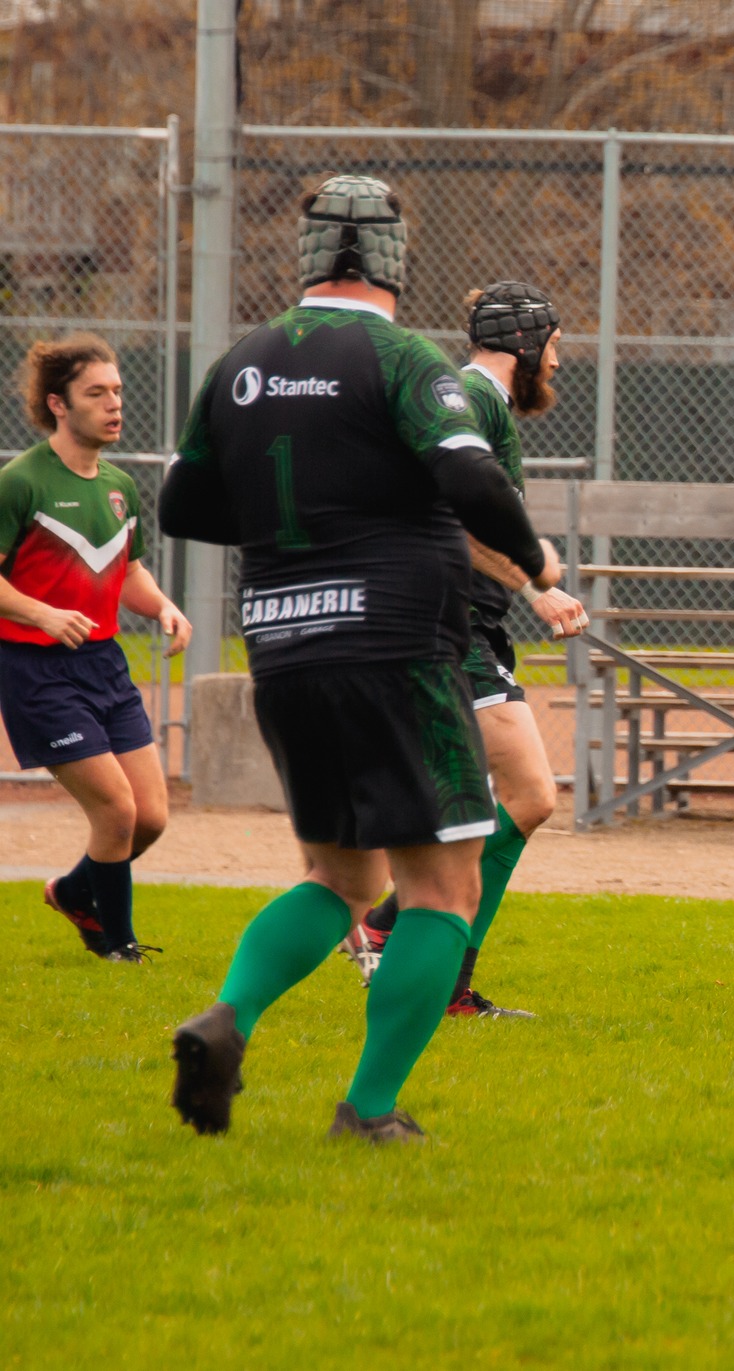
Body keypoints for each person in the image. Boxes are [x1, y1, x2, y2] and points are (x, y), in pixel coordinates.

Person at [160, 174, 555, 1142]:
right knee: (442, 889)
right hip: (399, 651)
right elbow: (468, 473)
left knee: (343, 882)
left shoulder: (239, 365)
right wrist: (536, 559)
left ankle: (228, 1016)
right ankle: (370, 1109)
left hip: (285, 648)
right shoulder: (401, 358)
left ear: (304, 257)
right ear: (391, 258)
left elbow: (181, 506)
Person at [343, 281, 587, 1017]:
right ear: (524, 345)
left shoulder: (475, 402)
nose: (557, 362)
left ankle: (410, 948)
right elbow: (451, 517)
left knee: (492, 805)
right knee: (530, 795)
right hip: (451, 628)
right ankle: (396, 936)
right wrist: (536, 585)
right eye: (553, 346)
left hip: (470, 627)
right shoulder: (474, 400)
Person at [0, 335, 190, 961]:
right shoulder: (20, 482)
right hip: (37, 671)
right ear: (58, 403)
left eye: (117, 391)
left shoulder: (118, 486)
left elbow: (126, 570)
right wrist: (42, 614)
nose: (114, 404)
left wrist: (162, 605)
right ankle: (119, 945)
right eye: (96, 393)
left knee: (151, 819)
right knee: (115, 812)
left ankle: (76, 894)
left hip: (104, 663)